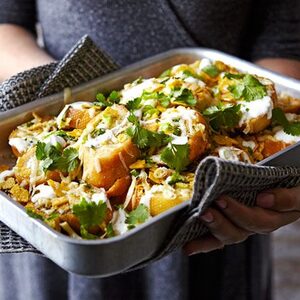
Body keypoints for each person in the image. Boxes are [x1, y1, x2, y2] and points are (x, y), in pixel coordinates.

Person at [0, 1, 299, 299]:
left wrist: (276, 172)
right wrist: (68, 106)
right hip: (56, 248)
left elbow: (283, 41)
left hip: (220, 214)